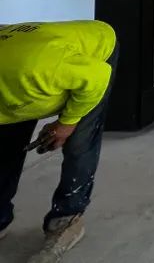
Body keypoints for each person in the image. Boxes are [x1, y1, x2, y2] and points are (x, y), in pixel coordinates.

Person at [0, 20, 117, 262]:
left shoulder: (35, 69)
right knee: (7, 142)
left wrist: (67, 123)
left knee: (78, 142)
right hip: (24, 58)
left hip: (93, 54)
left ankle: (67, 217)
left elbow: (97, 76)